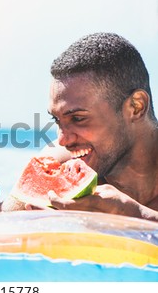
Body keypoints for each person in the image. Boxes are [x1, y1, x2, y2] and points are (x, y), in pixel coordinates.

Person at [38, 32, 158, 221]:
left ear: (136, 106)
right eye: (56, 120)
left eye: (77, 119)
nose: (62, 140)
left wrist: (135, 215)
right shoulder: (58, 164)